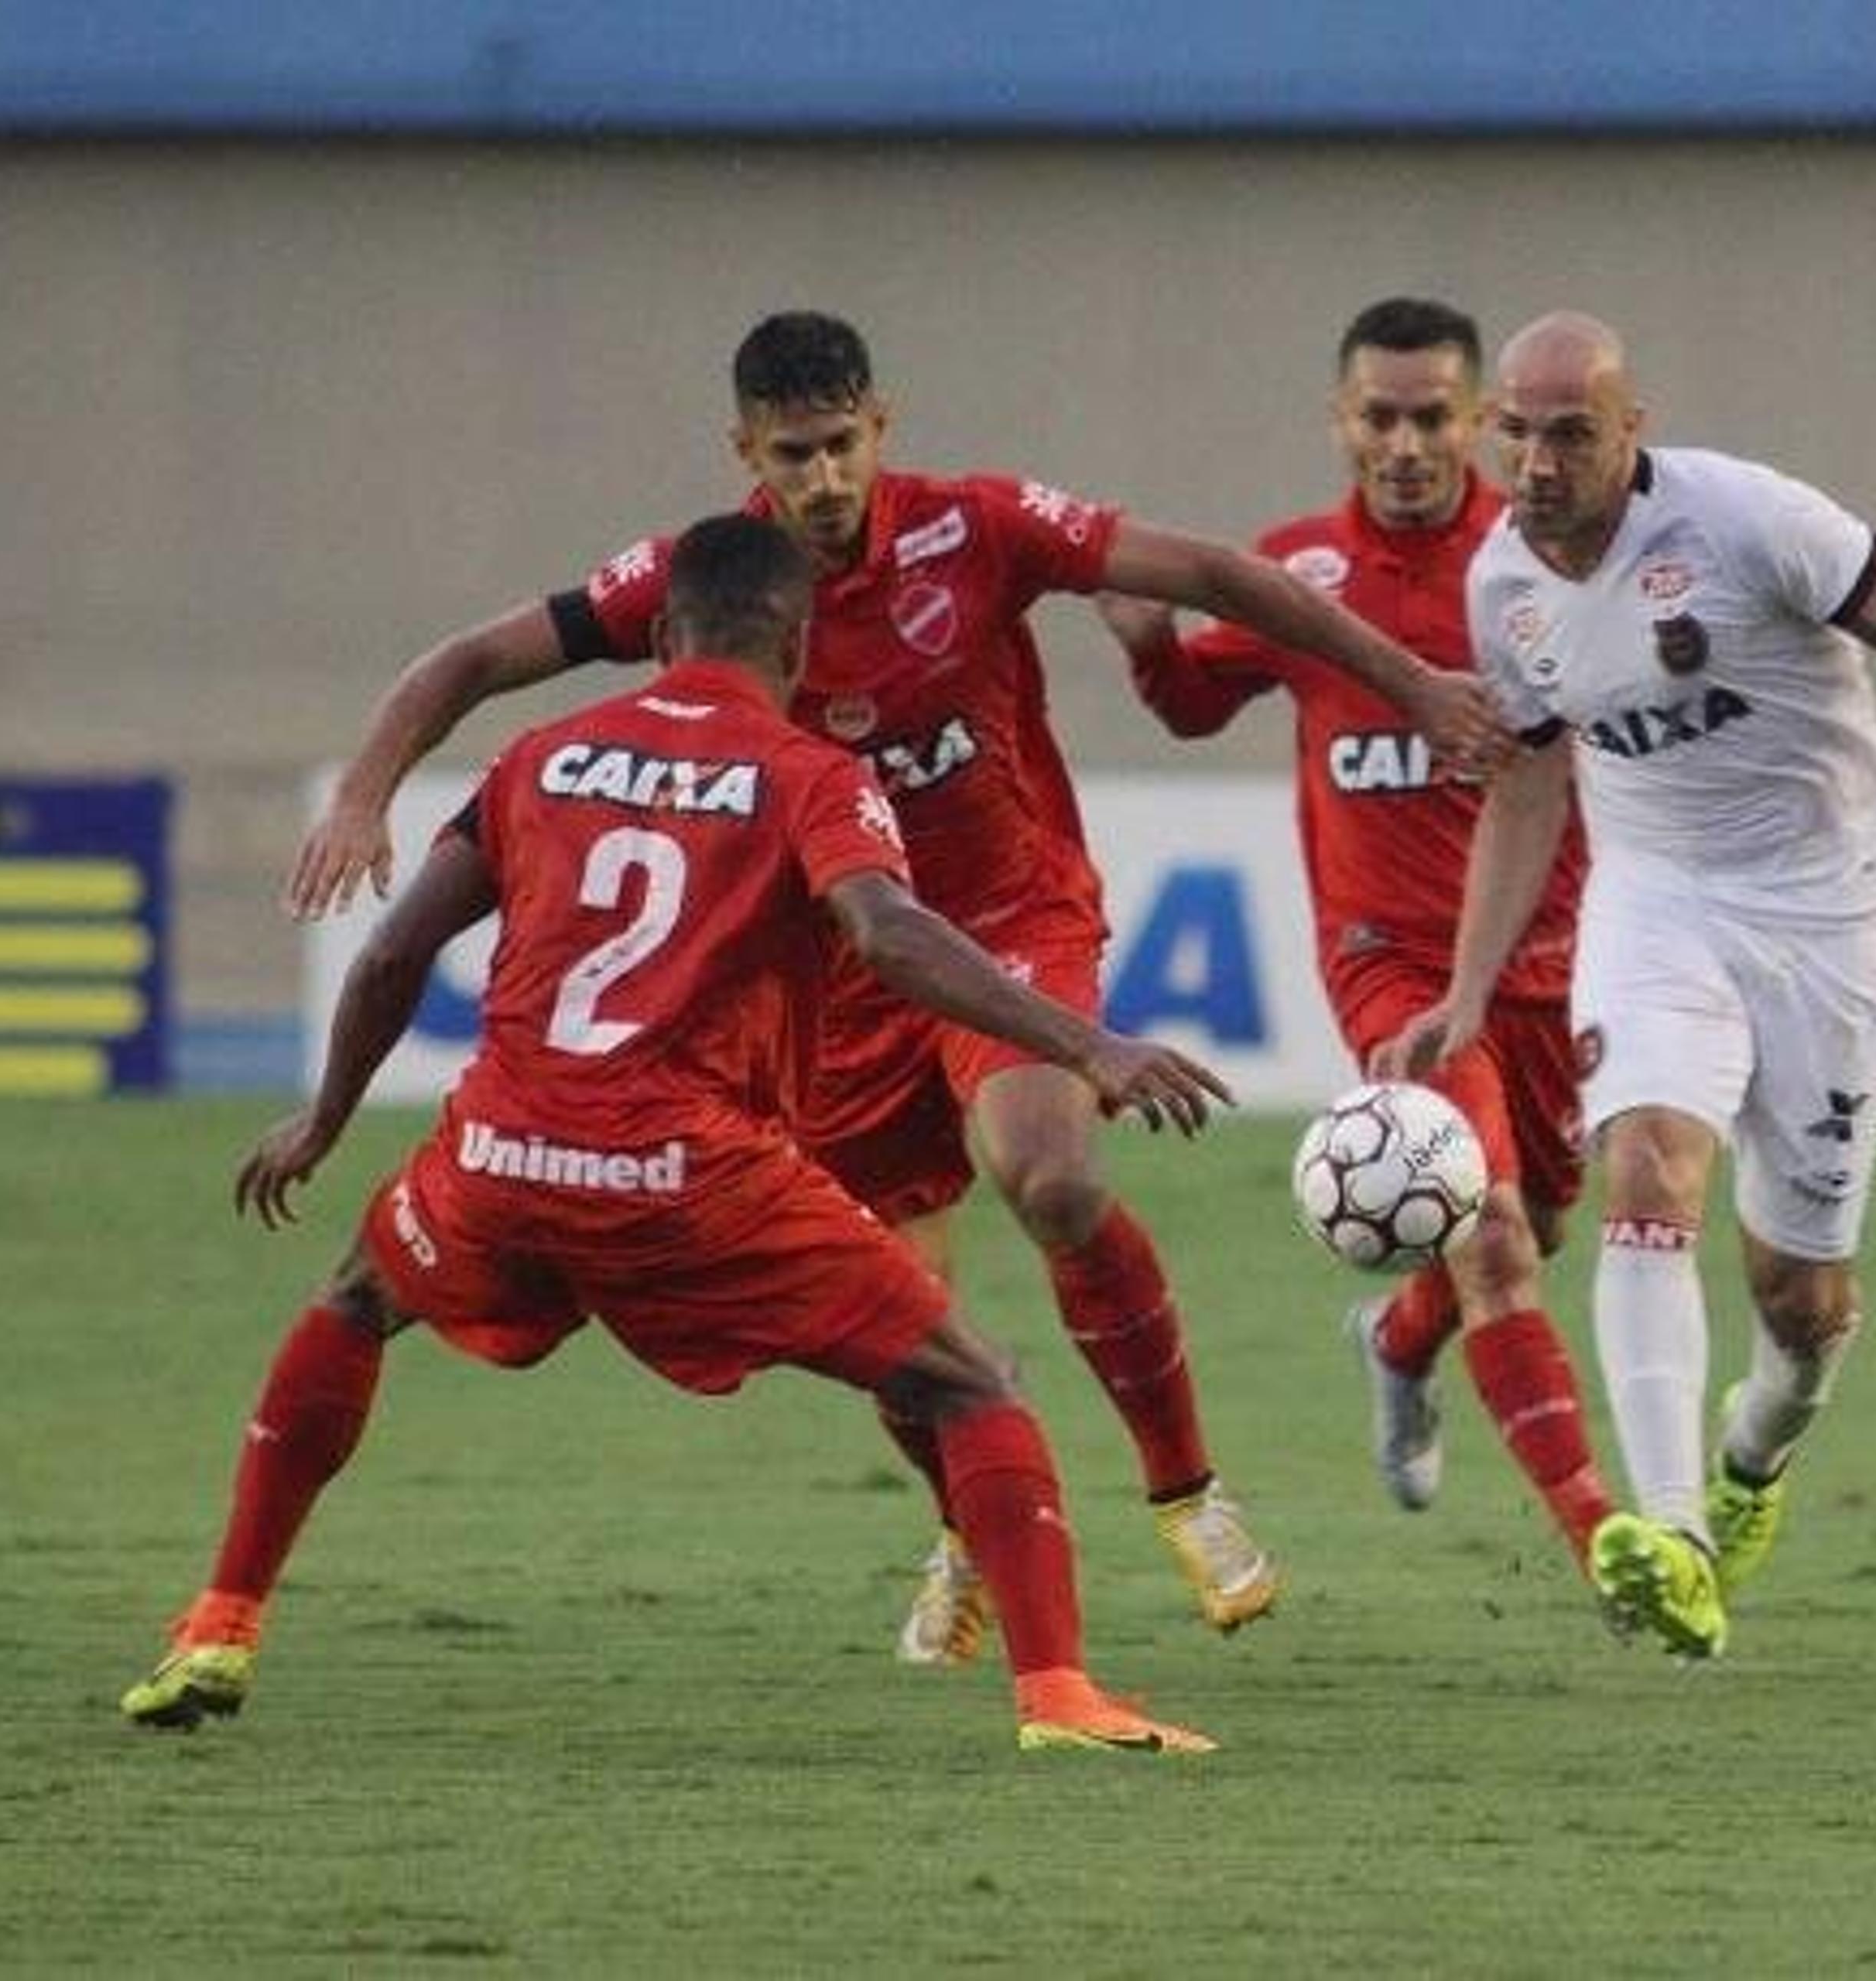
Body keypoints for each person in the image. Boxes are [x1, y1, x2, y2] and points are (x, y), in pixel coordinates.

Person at [282, 311, 1509, 1663]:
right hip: (833, 978)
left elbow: (1216, 573)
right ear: (745, 449)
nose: (822, 481)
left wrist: (1407, 683)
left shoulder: (975, 530)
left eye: (842, 447)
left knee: (1051, 1174)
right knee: (894, 1307)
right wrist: (363, 791)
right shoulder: (709, 585)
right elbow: (469, 662)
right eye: (792, 454)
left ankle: (1187, 1489)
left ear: (884, 425)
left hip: (1003, 920)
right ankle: (965, 1530)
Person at [123, 515, 1232, 1753]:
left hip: (502, 1158)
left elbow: (392, 952)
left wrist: (324, 1120)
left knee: (351, 1304)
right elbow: (891, 935)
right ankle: (1060, 1698)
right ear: (802, 646)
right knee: (976, 1388)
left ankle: (218, 1622)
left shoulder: (544, 752)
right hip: (691, 1177)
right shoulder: (813, 772)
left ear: (658, 635)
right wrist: (1090, 1045)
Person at [1378, 310, 1876, 1659]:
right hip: (1656, 902)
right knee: (1649, 1173)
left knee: (1802, 1297)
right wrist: (1469, 990)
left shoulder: (1747, 521)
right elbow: (1536, 772)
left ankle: (1756, 1456)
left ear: (1630, 430)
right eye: (1519, 434)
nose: (1537, 465)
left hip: (1829, 909)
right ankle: (1674, 1535)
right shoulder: (1504, 585)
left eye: (1571, 435)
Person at [1094, 297, 1622, 1593]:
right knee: (1491, 1234)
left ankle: (1396, 1343)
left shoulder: (1540, 562)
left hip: (1554, 953)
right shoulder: (1298, 576)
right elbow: (1193, 707)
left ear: (1481, 426)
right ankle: (1607, 1544)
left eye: (1432, 417)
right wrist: (1151, 644)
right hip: (1389, 965)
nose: (1404, 444)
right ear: (1341, 421)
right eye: (1378, 417)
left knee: (1539, 1224)